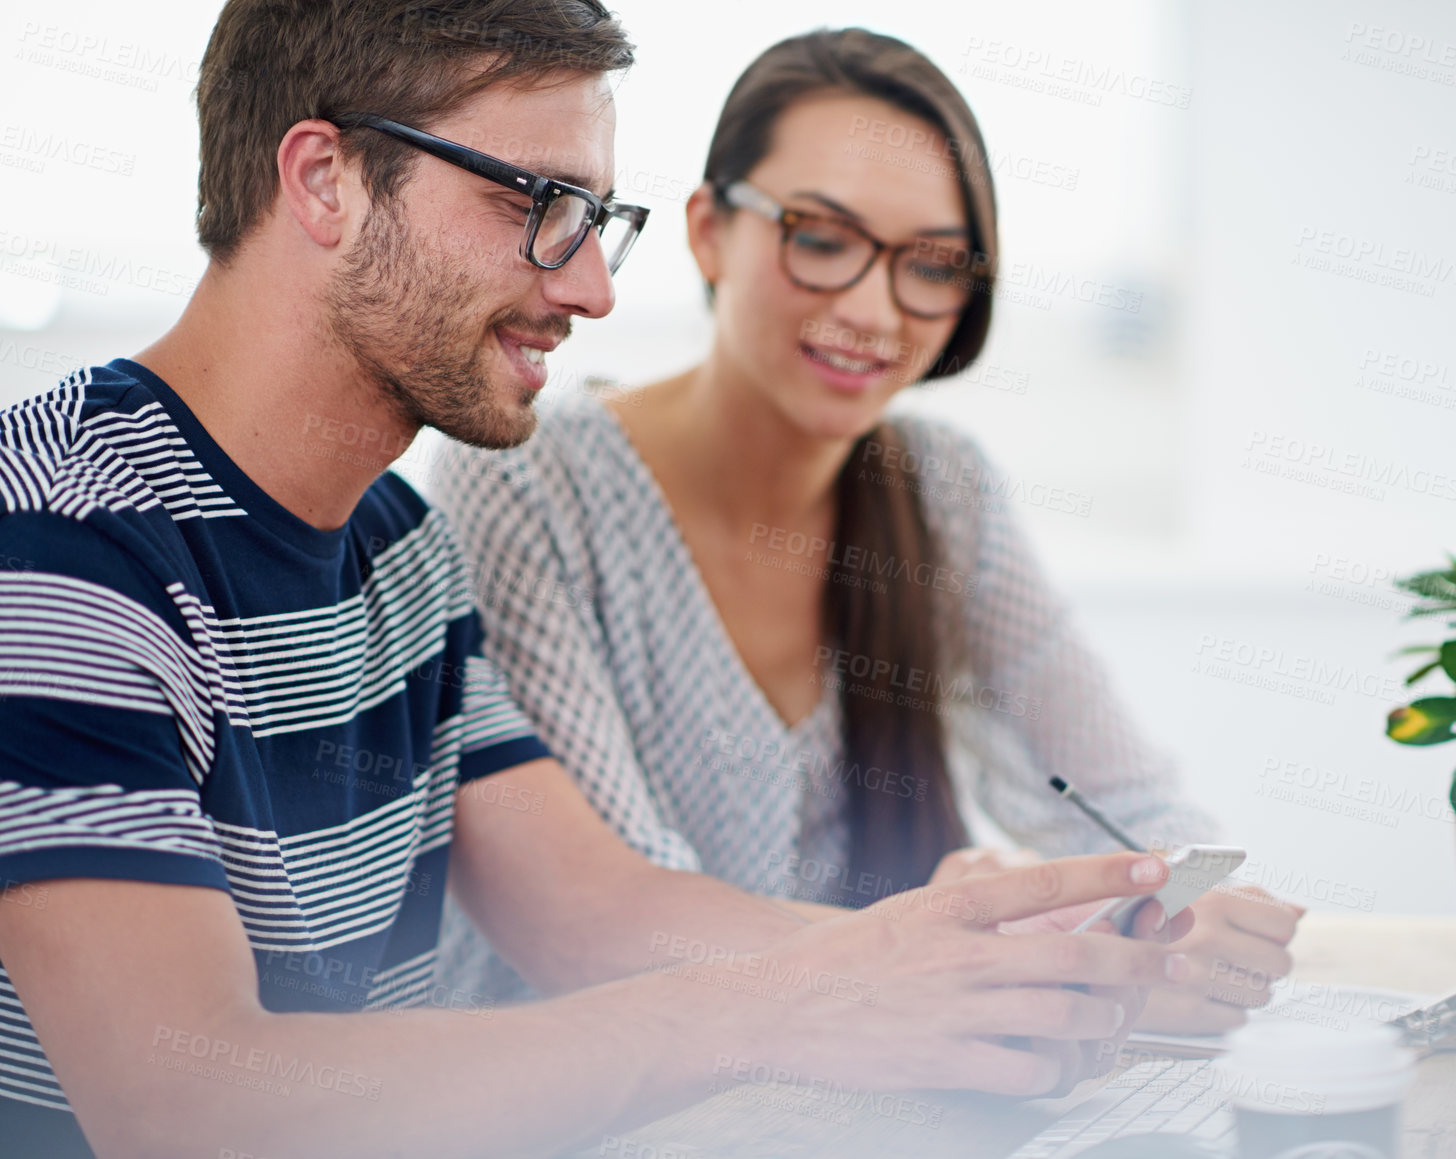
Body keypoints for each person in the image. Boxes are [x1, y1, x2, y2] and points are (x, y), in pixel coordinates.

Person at [0, 4, 1199, 1157]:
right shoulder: (57, 538)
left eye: (592, 218)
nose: (591, 289)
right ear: (325, 180)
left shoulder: (399, 546)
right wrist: (776, 1009)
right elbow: (189, 1107)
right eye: (535, 203)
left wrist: (940, 957)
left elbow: (590, 911)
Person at [429, 26, 1303, 1039]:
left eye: (931, 263)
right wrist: (968, 939)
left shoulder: (942, 489)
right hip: (588, 1092)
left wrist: (1184, 910)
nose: (875, 308)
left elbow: (1129, 800)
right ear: (710, 229)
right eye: (823, 238)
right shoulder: (534, 480)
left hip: (839, 1085)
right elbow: (618, 915)